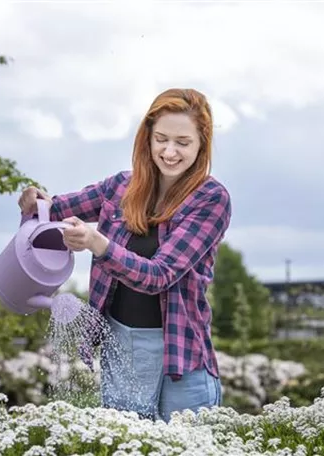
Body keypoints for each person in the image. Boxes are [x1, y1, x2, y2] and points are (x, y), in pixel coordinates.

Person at [18, 88, 232, 423]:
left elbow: (159, 275)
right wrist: (34, 198)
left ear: (202, 143)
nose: (170, 151)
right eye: (161, 139)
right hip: (123, 347)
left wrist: (97, 243)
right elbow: (52, 209)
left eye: (183, 142)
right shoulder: (119, 188)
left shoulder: (210, 199)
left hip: (181, 353)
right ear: (147, 138)